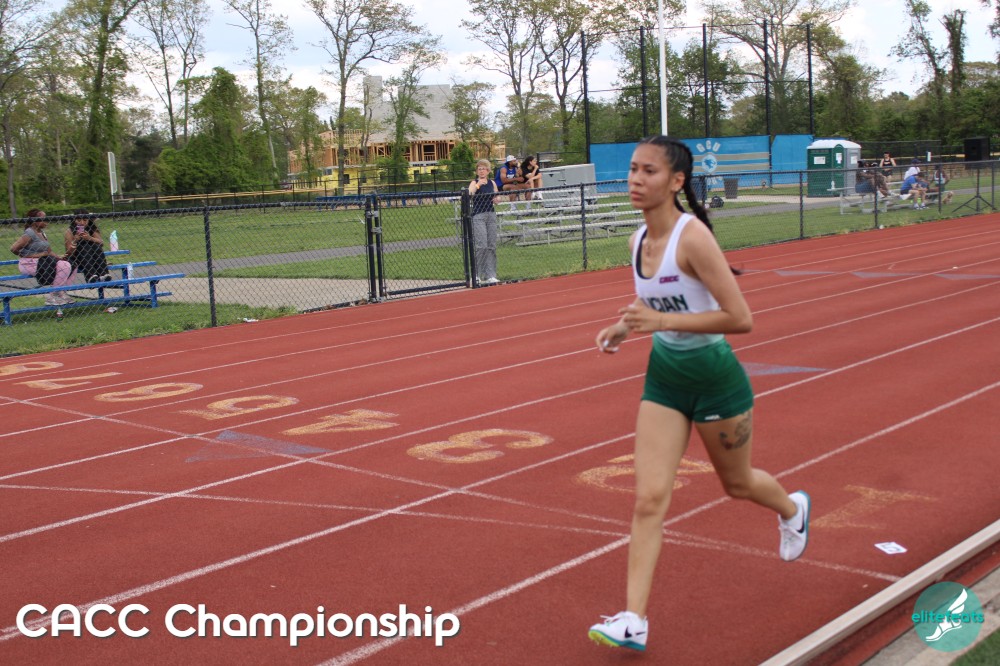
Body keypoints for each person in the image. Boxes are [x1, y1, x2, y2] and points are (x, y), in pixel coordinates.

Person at [587, 135, 810, 652]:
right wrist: (625, 326)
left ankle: (792, 509)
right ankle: (633, 620)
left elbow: (740, 318)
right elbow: (655, 302)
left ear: (676, 181)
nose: (636, 180)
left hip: (715, 379)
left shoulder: (693, 239)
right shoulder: (636, 241)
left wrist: (660, 321)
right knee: (648, 499)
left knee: (737, 484)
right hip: (665, 378)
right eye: (633, 170)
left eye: (649, 171)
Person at [9, 209, 77, 306]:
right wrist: (36, 255)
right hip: (29, 264)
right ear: (34, 220)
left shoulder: (42, 233)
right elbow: (13, 249)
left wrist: (59, 257)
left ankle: (61, 292)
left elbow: (48, 251)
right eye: (43, 219)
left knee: (70, 264)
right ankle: (52, 296)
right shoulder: (29, 233)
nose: (46, 221)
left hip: (44, 262)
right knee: (64, 266)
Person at [468, 159, 500, 284]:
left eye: (484, 169)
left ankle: (490, 274)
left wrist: (497, 199)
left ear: (488, 171)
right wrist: (478, 185)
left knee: (491, 245)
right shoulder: (474, 182)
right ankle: (476, 274)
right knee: (482, 245)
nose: (481, 171)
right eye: (479, 169)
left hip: (490, 214)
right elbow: (469, 194)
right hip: (479, 215)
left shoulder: (492, 182)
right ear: (477, 171)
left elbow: (496, 196)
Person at [64, 209, 113, 283]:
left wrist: (90, 238)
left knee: (95, 246)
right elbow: (68, 252)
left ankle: (104, 274)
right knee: (85, 246)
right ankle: (90, 276)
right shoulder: (69, 231)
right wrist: (75, 240)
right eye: (79, 220)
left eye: (85, 220)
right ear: (74, 220)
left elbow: (101, 242)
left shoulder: (91, 228)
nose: (82, 223)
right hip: (78, 259)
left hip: (93, 258)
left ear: (88, 220)